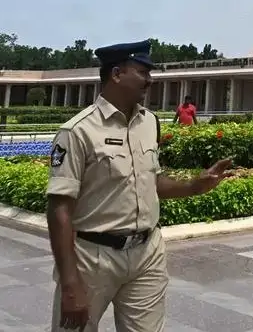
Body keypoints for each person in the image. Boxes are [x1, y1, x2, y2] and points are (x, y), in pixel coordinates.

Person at [46, 40, 232, 332]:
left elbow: (151, 181)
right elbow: (59, 207)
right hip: (93, 257)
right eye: (142, 72)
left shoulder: (149, 123)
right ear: (117, 74)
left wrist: (194, 186)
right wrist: (70, 282)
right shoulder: (77, 131)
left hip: (147, 253)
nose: (149, 80)